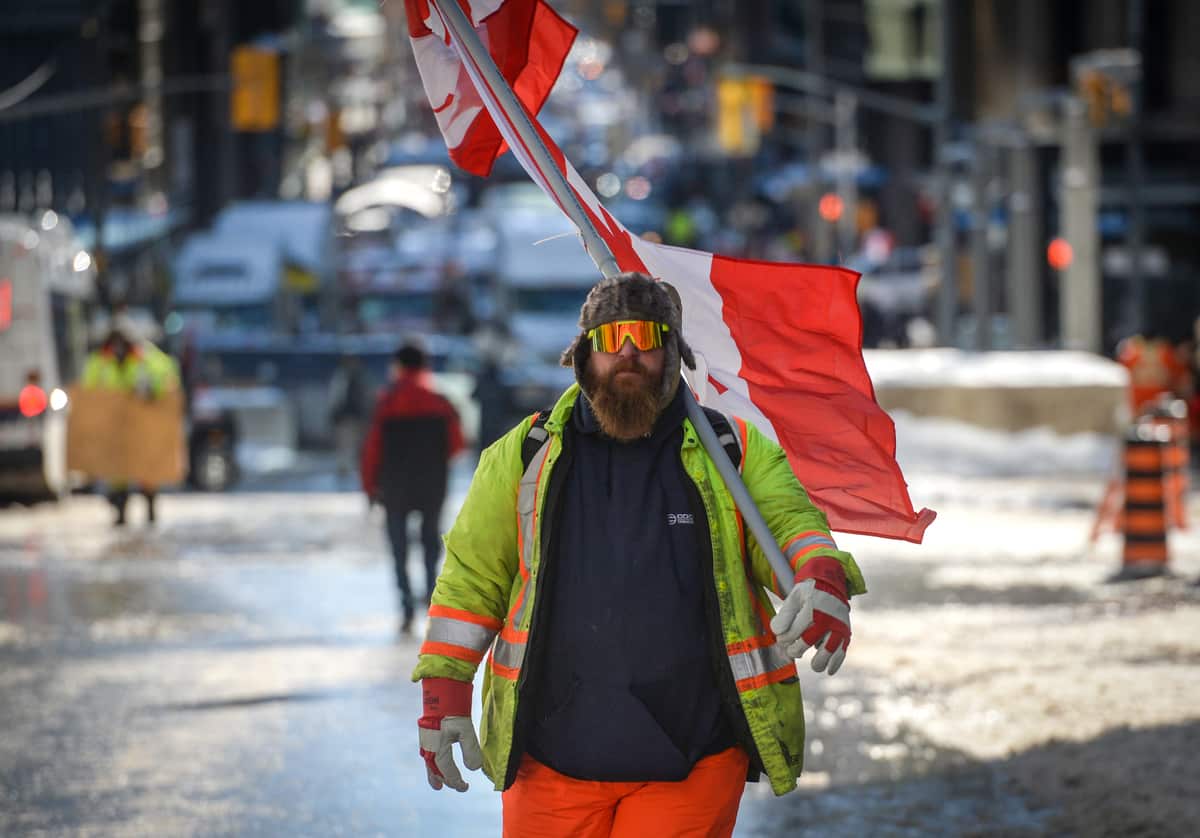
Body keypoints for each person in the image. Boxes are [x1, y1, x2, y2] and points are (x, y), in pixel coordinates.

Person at [412, 272, 866, 836]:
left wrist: (821, 575)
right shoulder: (525, 455)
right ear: (581, 357)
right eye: (609, 338)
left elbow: (792, 523)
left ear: (673, 353)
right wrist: (444, 693)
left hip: (694, 760)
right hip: (549, 761)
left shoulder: (731, 452)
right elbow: (470, 582)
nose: (627, 352)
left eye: (647, 337)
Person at [361, 341, 465, 633]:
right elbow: (458, 444)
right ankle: (432, 600)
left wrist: (370, 487)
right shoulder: (440, 400)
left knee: (399, 547)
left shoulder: (387, 400)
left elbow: (372, 449)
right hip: (432, 484)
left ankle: (406, 605)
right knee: (431, 541)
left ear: (398, 366)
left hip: (394, 486)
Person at [81, 315, 181, 526]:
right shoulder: (100, 361)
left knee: (146, 470)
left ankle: (150, 511)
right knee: (118, 472)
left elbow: (169, 377)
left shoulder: (147, 358)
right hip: (115, 426)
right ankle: (120, 512)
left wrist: (153, 392)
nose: (118, 348)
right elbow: (88, 391)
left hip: (142, 424)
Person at [328, 353, 369, 485]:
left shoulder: (359, 377)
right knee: (344, 446)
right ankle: (344, 472)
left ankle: (354, 472)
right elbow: (336, 398)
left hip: (355, 417)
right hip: (345, 417)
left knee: (357, 446)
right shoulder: (341, 377)